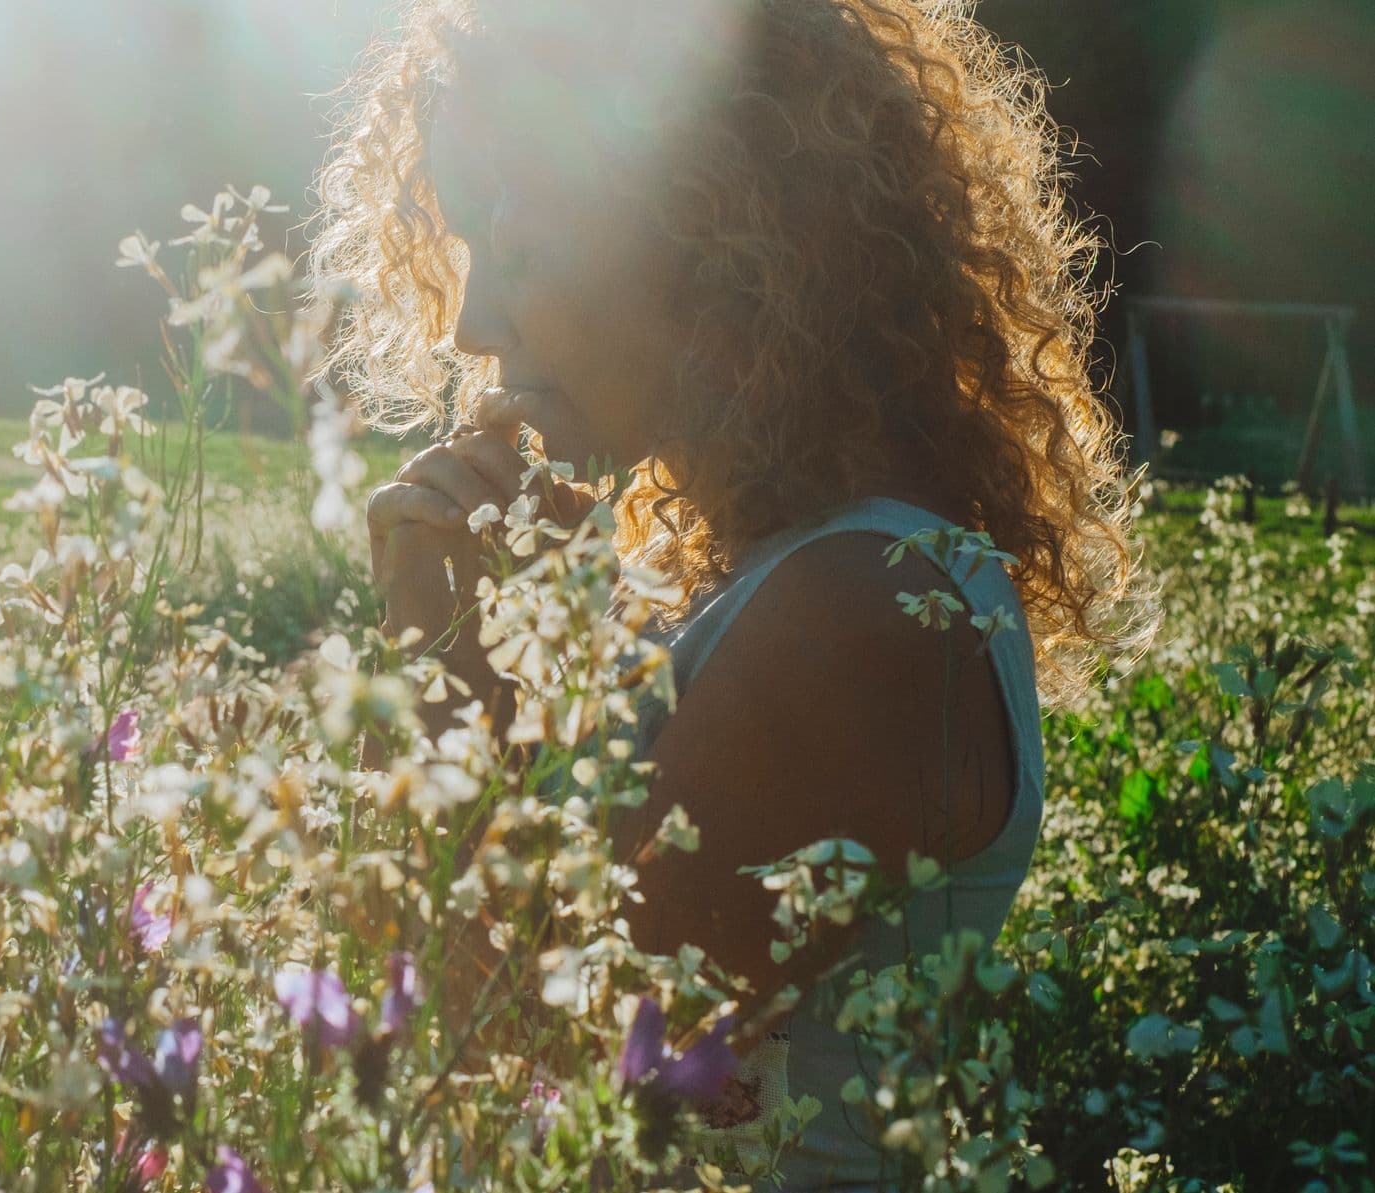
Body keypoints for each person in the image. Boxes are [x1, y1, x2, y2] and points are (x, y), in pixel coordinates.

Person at [304, 0, 1155, 1185]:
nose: (470, 322)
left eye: (523, 247)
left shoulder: (868, 606)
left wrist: (436, 649)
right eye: (465, 250)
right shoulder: (743, 573)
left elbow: (535, 1048)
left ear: (706, 238)